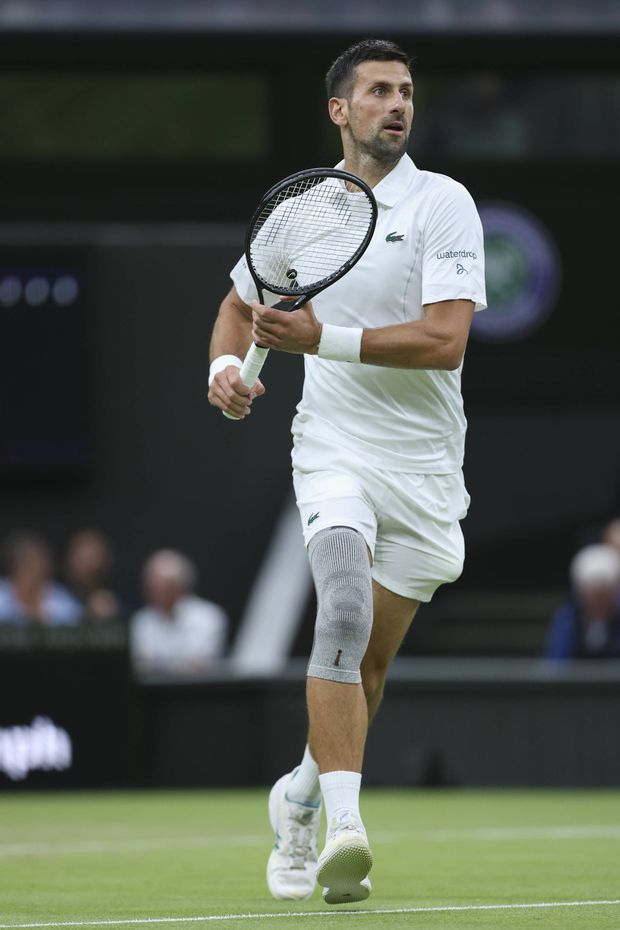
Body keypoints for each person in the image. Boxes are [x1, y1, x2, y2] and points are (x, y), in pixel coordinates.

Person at [208, 39, 486, 905]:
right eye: (378, 91)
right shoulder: (301, 212)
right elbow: (239, 306)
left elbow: (445, 341)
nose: (397, 104)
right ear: (340, 109)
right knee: (340, 608)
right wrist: (224, 367)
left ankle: (296, 796)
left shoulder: (444, 203)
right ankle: (343, 829)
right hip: (333, 448)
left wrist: (316, 337)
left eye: (406, 91)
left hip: (425, 470)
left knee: (363, 669)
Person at [129, 549, 228, 678]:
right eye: (153, 584)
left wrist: (157, 665)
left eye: (167, 585)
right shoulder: (142, 619)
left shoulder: (209, 616)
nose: (159, 589)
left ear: (182, 585)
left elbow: (200, 665)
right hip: (152, 689)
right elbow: (139, 665)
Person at [545, 544, 620, 660]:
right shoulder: (568, 619)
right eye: (592, 596)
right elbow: (556, 661)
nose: (598, 603)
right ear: (580, 593)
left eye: (604, 595)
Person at [0, 530, 81, 625]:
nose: (37, 568)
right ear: (15, 565)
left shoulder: (58, 595)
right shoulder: (2, 593)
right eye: (28, 562)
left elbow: (75, 618)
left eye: (40, 562)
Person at [64, 528, 121, 622]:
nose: (91, 566)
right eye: (83, 560)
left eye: (96, 558)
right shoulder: (52, 599)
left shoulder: (116, 601)